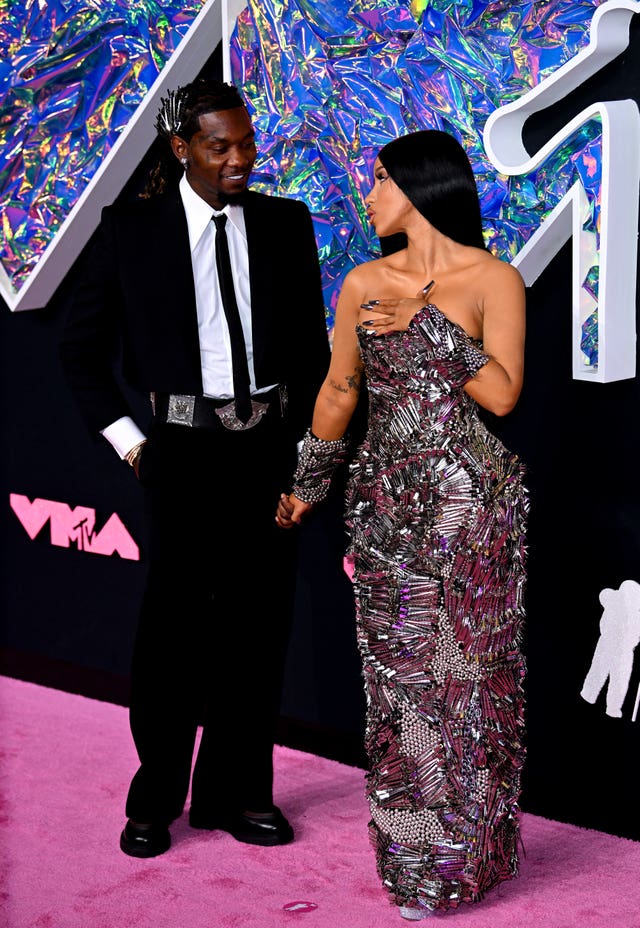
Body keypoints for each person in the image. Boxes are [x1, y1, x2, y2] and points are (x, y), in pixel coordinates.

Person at [59, 78, 331, 858]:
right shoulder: (130, 231)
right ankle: (155, 798)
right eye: (221, 146)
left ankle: (239, 793)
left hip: (270, 450)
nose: (240, 158)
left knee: (259, 626)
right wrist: (130, 441)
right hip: (180, 453)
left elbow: (311, 359)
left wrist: (306, 467)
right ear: (182, 148)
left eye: (247, 142)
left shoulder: (286, 222)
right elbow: (79, 349)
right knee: (175, 632)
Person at [276, 129, 528, 918]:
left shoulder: (494, 279)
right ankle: (420, 867)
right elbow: (340, 392)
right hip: (386, 513)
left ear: (421, 185)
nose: (369, 191)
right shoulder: (360, 282)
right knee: (399, 697)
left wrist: (427, 325)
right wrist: (308, 480)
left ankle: (477, 854)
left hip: (474, 518)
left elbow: (503, 396)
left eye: (380, 177)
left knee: (474, 691)